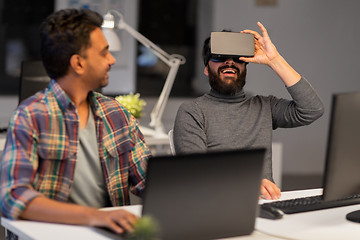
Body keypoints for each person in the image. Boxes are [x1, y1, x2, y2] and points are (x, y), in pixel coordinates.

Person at [0, 8, 151, 234]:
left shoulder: (117, 114)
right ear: (78, 63)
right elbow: (13, 197)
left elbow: (148, 180)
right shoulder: (31, 116)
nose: (112, 60)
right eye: (104, 53)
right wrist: (93, 217)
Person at [173, 22, 324, 200]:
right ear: (206, 69)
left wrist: (274, 60)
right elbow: (195, 171)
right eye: (219, 56)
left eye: (238, 57)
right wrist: (249, 182)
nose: (229, 62)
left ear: (245, 66)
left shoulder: (264, 107)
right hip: (216, 206)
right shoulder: (192, 112)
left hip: (264, 207)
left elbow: (312, 109)